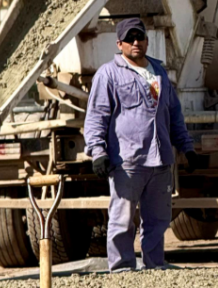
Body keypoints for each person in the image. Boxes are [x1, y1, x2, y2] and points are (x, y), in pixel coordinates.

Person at [84, 18, 202, 272]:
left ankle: (154, 267)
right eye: (129, 38)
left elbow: (174, 115)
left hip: (160, 161)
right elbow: (97, 116)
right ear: (120, 44)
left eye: (140, 37)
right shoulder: (108, 74)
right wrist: (98, 152)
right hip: (127, 162)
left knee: (157, 221)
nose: (135, 42)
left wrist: (187, 148)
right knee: (122, 219)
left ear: (147, 41)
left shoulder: (159, 73)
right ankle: (122, 270)